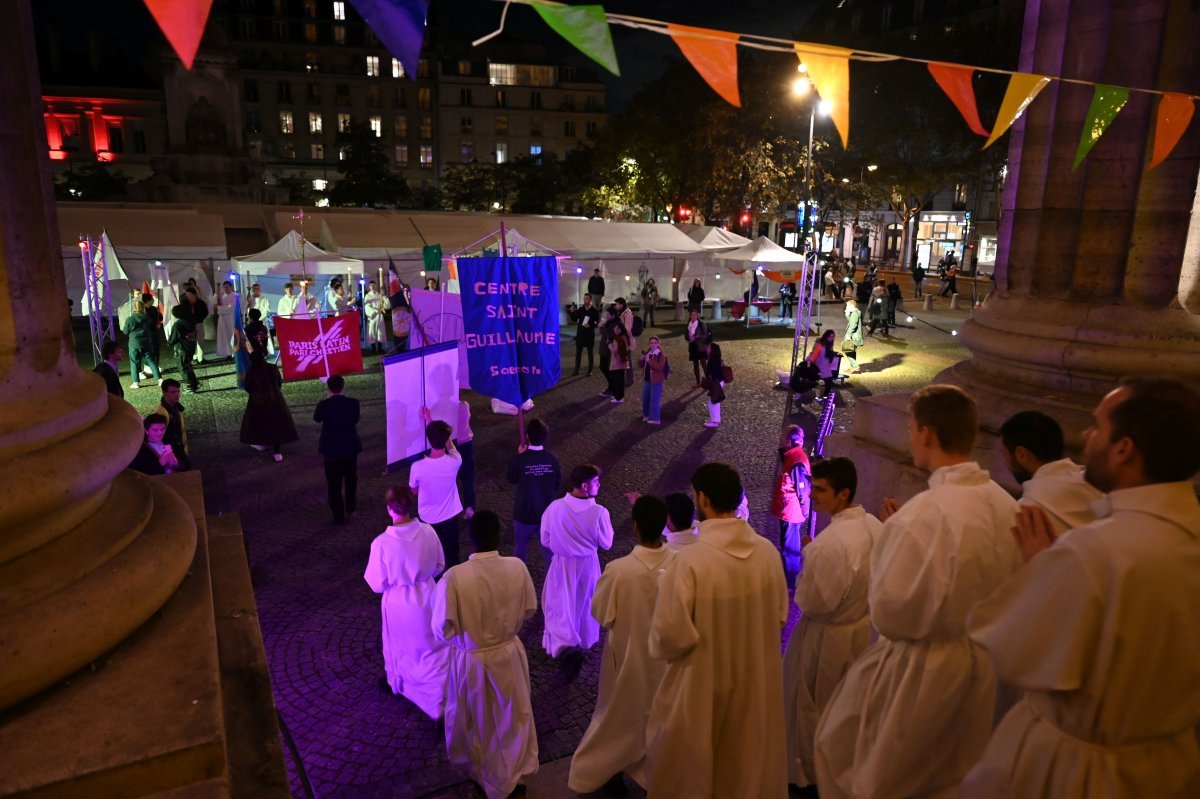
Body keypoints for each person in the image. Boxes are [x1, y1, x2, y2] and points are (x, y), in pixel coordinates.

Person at [962, 378, 1200, 799]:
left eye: (1097, 427)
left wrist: (1044, 569)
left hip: (1079, 773)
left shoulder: (1093, 552)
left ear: (1124, 448)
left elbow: (1015, 654)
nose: (1086, 438)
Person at [814, 385, 1022, 799]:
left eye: (910, 429)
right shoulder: (1008, 505)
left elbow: (891, 613)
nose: (910, 438)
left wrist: (896, 537)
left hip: (925, 674)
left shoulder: (922, 514)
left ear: (925, 433)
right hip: (989, 671)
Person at [644, 462, 790, 798]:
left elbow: (669, 635)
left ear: (704, 499)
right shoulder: (768, 553)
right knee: (744, 769)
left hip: (703, 687)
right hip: (754, 683)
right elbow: (780, 616)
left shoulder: (690, 562)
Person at [782, 457, 882, 794]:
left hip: (827, 638)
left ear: (844, 493)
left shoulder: (828, 545)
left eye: (821, 490)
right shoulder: (874, 526)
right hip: (862, 629)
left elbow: (811, 602)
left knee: (814, 711)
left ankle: (812, 779)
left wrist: (810, 560)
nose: (812, 496)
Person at [568, 495, 675, 795]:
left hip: (626, 656)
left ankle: (611, 769)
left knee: (616, 718)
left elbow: (602, 613)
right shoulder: (680, 564)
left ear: (635, 527)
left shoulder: (619, 570)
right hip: (666, 660)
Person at [432, 510, 539, 799]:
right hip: (508, 653)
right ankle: (513, 778)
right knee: (512, 716)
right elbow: (529, 608)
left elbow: (442, 628)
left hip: (473, 659)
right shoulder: (517, 567)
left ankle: (487, 779)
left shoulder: (455, 577)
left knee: (477, 721)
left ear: (471, 539)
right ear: (499, 535)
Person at [363, 485, 449, 719]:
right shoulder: (428, 531)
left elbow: (375, 583)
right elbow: (441, 564)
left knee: (404, 648)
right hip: (429, 595)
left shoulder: (381, 544)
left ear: (390, 509)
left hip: (400, 603)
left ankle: (401, 684)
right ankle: (439, 690)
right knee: (432, 646)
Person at [539, 464, 614, 664]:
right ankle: (582, 641)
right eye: (596, 481)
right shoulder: (599, 512)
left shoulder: (555, 507)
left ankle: (562, 643)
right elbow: (607, 543)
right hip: (587, 566)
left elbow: (545, 539)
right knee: (585, 602)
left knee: (561, 603)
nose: (599, 484)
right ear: (584, 486)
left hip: (561, 564)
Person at [999, 410, 1101, 536]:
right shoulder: (1100, 483)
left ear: (1022, 454)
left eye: (1004, 455)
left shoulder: (1027, 515)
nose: (1005, 463)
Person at [505, 418, 561, 563]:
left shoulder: (519, 459)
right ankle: (551, 583)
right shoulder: (553, 459)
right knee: (549, 552)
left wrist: (520, 455)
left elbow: (511, 479)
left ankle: (520, 582)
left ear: (527, 436)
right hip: (546, 513)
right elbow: (557, 485)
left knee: (520, 551)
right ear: (546, 437)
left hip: (523, 513)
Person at [409, 419, 463, 568]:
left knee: (433, 556)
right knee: (453, 555)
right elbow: (451, 446)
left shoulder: (418, 467)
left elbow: (413, 490)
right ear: (446, 439)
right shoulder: (455, 461)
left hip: (429, 517)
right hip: (451, 515)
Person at [239, 338, 299, 462]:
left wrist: (256, 394)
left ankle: (261, 443)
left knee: (259, 424)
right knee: (276, 425)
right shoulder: (272, 368)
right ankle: (277, 452)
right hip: (275, 400)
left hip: (258, 401)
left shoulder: (251, 372)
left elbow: (247, 387)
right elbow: (278, 382)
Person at [314, 374, 362, 525]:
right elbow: (355, 419)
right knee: (351, 480)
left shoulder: (324, 405)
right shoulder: (354, 403)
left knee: (333, 484)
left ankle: (338, 515)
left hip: (331, 450)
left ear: (328, 388)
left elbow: (317, 418)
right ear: (343, 387)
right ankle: (351, 508)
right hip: (349, 448)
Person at [771, 425, 811, 584]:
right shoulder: (793, 456)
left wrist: (804, 511)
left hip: (791, 512)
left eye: (783, 436)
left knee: (790, 549)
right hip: (788, 510)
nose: (780, 438)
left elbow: (803, 490)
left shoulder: (796, 461)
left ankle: (791, 582)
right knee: (787, 545)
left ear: (789, 440)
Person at [122, 298, 161, 389]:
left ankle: (136, 383)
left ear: (134, 308)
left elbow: (125, 331)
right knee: (151, 360)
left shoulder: (130, 319)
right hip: (146, 342)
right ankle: (159, 379)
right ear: (143, 308)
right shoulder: (147, 318)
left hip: (134, 343)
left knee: (134, 362)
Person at [153, 379, 191, 471]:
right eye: (173, 392)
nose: (177, 394)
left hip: (180, 451)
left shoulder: (175, 407)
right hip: (173, 456)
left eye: (178, 391)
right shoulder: (161, 413)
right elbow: (157, 439)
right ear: (164, 393)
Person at [167, 304, 200, 393]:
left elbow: (173, 339)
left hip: (181, 348)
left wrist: (169, 343)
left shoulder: (178, 325)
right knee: (188, 366)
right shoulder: (191, 321)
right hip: (190, 346)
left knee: (183, 368)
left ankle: (190, 386)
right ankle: (195, 383)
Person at [453, 400, 476, 520]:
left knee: (451, 478)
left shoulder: (444, 407)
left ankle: (451, 508)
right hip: (466, 443)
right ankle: (470, 508)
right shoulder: (465, 405)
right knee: (467, 477)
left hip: (451, 444)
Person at [639, 335, 668, 425]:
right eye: (651, 343)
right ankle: (646, 415)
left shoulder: (661, 355)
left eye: (655, 343)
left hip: (656, 380)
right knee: (645, 398)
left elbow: (659, 367)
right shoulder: (648, 353)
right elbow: (640, 365)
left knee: (654, 400)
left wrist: (649, 361)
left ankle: (656, 419)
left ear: (658, 344)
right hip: (647, 379)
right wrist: (641, 359)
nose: (653, 344)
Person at [569, 293, 600, 376]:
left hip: (589, 335)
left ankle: (590, 370)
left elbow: (597, 322)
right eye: (584, 298)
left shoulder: (594, 311)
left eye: (586, 298)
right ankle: (576, 369)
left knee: (590, 353)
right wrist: (572, 312)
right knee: (578, 353)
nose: (585, 300)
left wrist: (591, 325)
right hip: (580, 334)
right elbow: (574, 319)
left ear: (590, 300)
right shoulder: (581, 310)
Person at [180, 283, 209, 362]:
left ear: (194, 294)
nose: (188, 296)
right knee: (191, 342)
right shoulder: (185, 303)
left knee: (200, 341)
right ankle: (193, 357)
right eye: (187, 295)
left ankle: (200, 358)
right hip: (189, 325)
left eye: (189, 294)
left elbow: (205, 312)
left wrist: (198, 318)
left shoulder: (200, 303)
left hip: (198, 323)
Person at [701, 334, 725, 428]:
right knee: (715, 402)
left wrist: (708, 383)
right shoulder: (715, 359)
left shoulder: (713, 361)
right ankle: (716, 420)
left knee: (713, 402)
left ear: (712, 350)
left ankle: (715, 422)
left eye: (708, 347)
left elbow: (713, 374)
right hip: (718, 382)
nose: (706, 348)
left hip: (716, 383)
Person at [138, 293, 163, 381]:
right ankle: (148, 367)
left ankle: (156, 365)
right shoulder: (142, 311)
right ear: (147, 301)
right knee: (148, 351)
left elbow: (159, 318)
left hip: (155, 332)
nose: (153, 300)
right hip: (147, 334)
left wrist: (159, 314)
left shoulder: (153, 308)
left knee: (156, 349)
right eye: (152, 299)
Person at [606, 321, 631, 404]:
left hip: (618, 363)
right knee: (619, 380)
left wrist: (609, 343)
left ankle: (619, 397)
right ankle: (618, 396)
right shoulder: (624, 337)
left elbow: (614, 350)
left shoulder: (619, 339)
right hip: (621, 363)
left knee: (618, 381)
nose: (614, 329)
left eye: (616, 328)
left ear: (619, 329)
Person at [363, 280, 390, 353]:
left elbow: (387, 306)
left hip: (379, 316)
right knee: (372, 332)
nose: (373, 287)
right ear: (369, 287)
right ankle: (373, 348)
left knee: (380, 332)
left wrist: (384, 296)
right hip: (373, 316)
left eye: (374, 285)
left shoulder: (379, 295)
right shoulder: (367, 296)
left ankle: (380, 347)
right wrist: (374, 312)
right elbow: (367, 307)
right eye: (371, 285)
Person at [597, 306, 618, 398]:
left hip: (609, 350)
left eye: (608, 314)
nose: (606, 316)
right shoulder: (609, 322)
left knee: (606, 368)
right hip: (605, 348)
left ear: (613, 315)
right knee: (603, 367)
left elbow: (609, 335)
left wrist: (601, 327)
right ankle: (612, 386)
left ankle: (613, 387)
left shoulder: (616, 324)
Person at [685, 308, 709, 388]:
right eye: (692, 314)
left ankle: (709, 381)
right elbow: (686, 336)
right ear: (690, 315)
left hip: (701, 347)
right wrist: (689, 337)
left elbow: (706, 335)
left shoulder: (701, 324)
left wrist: (698, 336)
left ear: (697, 315)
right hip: (693, 347)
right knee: (695, 366)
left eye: (695, 314)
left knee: (704, 365)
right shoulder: (688, 324)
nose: (693, 316)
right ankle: (698, 382)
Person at [615, 297, 637, 382]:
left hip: (626, 341)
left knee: (627, 360)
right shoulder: (621, 313)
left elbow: (628, 329)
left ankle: (630, 379)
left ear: (621, 305)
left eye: (617, 304)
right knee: (624, 359)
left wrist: (619, 331)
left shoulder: (627, 313)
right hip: (622, 340)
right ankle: (625, 378)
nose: (616, 306)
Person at [214, 280, 237, 359]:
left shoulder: (235, 295)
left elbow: (231, 308)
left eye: (227, 287)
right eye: (224, 288)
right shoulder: (222, 296)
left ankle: (233, 352)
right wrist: (217, 305)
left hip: (231, 319)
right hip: (223, 320)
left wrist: (218, 308)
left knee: (231, 335)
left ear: (231, 287)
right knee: (225, 336)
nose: (225, 289)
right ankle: (228, 353)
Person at [249, 283, 274, 355]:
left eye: (257, 288)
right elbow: (247, 308)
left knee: (264, 336)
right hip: (253, 322)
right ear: (252, 290)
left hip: (262, 321)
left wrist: (258, 318)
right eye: (255, 289)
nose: (256, 290)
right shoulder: (250, 298)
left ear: (260, 289)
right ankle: (256, 352)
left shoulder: (264, 298)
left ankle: (266, 351)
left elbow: (266, 310)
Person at [842, 299, 863, 374]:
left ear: (851, 306)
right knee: (851, 351)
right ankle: (853, 367)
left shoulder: (855, 313)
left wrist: (848, 335)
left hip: (853, 336)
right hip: (854, 335)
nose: (846, 307)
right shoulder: (855, 313)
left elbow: (853, 325)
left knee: (847, 350)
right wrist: (847, 314)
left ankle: (855, 367)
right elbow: (851, 321)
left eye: (847, 306)